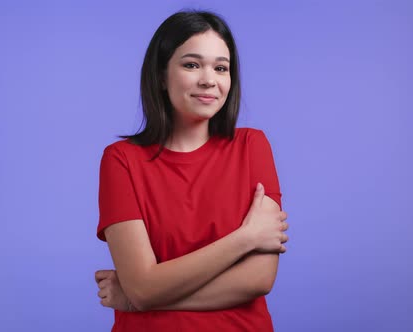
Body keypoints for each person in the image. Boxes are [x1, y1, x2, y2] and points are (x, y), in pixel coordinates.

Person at [94, 10, 289, 332]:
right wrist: (245, 239)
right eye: (191, 64)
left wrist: (140, 296)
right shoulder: (121, 160)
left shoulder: (252, 146)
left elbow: (258, 279)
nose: (209, 80)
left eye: (221, 68)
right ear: (160, 75)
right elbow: (143, 286)